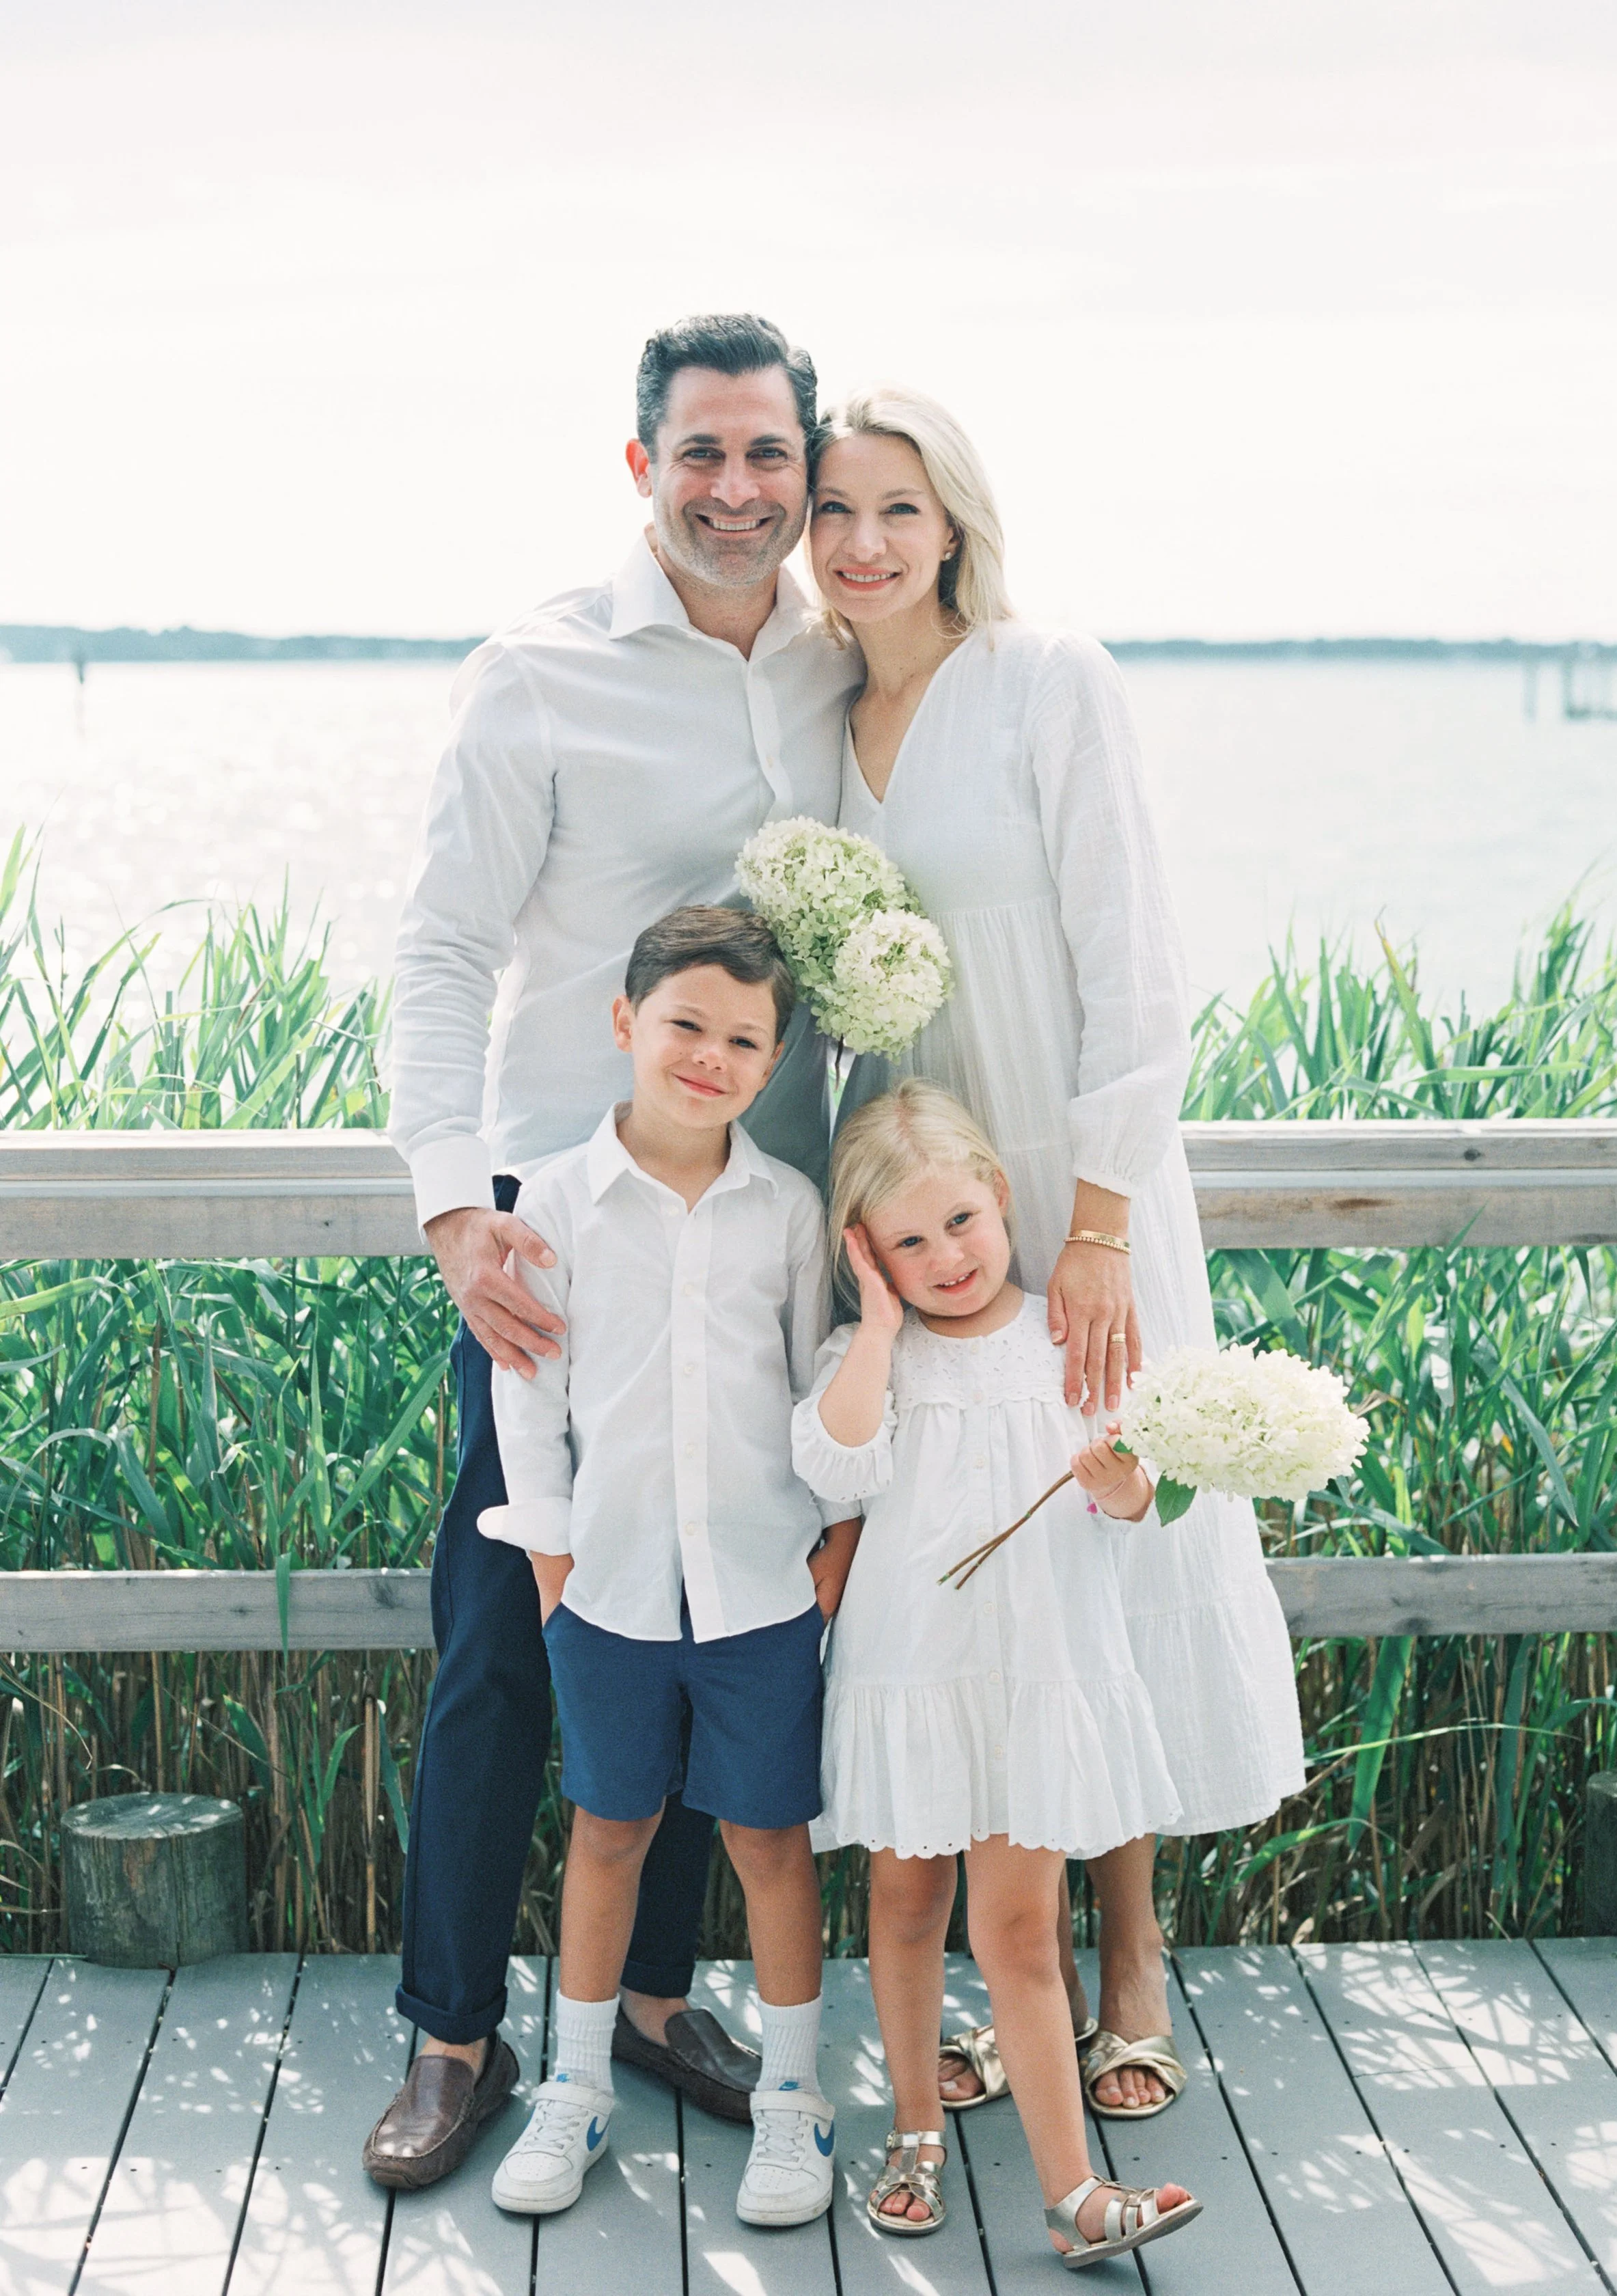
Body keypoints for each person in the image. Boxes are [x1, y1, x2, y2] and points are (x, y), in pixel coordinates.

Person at [365, 312, 861, 2191]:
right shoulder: (541, 673)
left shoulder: (844, 665)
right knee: (511, 1635)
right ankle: (453, 2037)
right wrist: (448, 1205)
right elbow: (437, 952)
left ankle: (652, 2012)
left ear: (806, 469)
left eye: (768, 457)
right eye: (701, 454)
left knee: (718, 1613)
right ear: (639, 466)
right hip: (553, 1226)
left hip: (762, 1239)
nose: (738, 491)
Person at [812, 387, 1305, 2122]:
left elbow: (1133, 955)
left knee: (1108, 1538)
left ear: (952, 519)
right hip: (928, 1191)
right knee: (952, 1547)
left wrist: (1095, 1220)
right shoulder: (819, 712)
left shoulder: (1046, 679)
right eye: (831, 512)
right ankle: (955, 1979)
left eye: (895, 507)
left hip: (1074, 1185)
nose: (861, 544)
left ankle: (1128, 1964)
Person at [477, 908, 854, 2224]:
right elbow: (530, 1390)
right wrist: (556, 1554)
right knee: (609, 1828)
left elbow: (817, 1387)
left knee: (768, 1836)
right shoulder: (553, 1200)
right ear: (626, 1021)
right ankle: (574, 2090)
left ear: (776, 1059)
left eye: (745, 1038)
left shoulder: (790, 1209)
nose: (711, 1056)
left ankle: (794, 2103)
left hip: (761, 1581)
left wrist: (839, 1541)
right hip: (611, 1583)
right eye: (687, 1023)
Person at [793, 1080, 1200, 2267]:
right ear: (870, 1257)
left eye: (961, 1222)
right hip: (911, 1677)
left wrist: (1125, 1481)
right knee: (908, 1906)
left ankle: (1074, 2190)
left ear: (1002, 1196)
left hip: (1037, 1674)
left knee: (1020, 1931)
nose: (947, 1256)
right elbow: (834, 1456)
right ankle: (916, 2127)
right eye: (908, 1243)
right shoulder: (873, 1357)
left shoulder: (1067, 1336)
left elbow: (1141, 1496)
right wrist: (874, 1324)